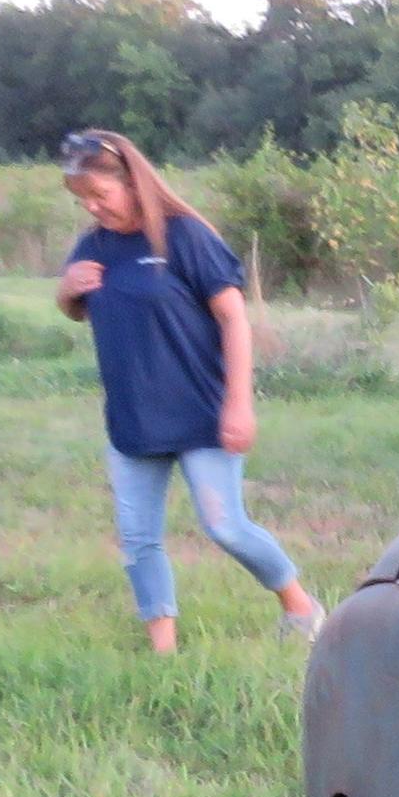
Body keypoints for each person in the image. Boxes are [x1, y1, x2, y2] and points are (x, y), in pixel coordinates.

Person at [56, 129, 319, 652]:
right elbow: (81, 308)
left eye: (99, 195)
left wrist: (239, 402)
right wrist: (64, 292)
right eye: (81, 198)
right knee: (138, 539)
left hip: (202, 409)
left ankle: (302, 607)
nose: (91, 206)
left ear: (131, 181)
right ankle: (164, 651)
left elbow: (234, 320)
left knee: (225, 527)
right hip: (132, 415)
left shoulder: (186, 237)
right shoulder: (93, 246)